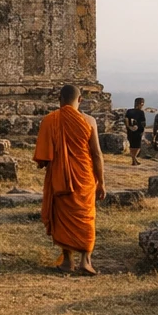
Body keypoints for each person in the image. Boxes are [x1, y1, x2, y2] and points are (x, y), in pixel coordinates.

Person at [33, 84, 106, 275]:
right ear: (80, 100)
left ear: (60, 99)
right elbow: (96, 154)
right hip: (84, 177)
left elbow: (43, 158)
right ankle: (85, 261)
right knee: (86, 216)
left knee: (62, 216)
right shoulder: (89, 121)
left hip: (60, 177)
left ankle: (67, 261)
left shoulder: (50, 120)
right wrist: (102, 182)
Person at [124, 98, 147, 166]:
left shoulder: (129, 111)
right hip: (138, 131)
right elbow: (143, 123)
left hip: (130, 131)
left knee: (132, 145)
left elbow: (126, 119)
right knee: (137, 146)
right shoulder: (141, 112)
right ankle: (134, 159)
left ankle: (134, 160)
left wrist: (129, 127)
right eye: (142, 104)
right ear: (140, 104)